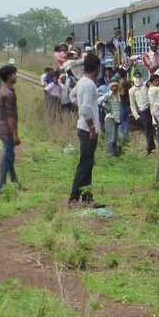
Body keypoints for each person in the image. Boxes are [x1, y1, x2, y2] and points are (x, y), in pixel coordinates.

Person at [69, 54, 101, 206]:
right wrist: (92, 128)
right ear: (97, 68)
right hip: (87, 130)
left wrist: (80, 105)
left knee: (88, 164)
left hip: (84, 127)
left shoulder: (82, 81)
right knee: (84, 165)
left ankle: (87, 197)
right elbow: (86, 110)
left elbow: (72, 96)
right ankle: (74, 197)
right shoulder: (89, 85)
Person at [0, 64, 22, 195]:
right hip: (7, 129)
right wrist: (15, 134)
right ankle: (0, 187)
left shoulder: (3, 90)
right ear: (9, 76)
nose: (16, 76)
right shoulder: (8, 94)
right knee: (6, 156)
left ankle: (15, 183)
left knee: (10, 156)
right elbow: (10, 116)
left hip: (2, 127)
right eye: (14, 74)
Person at [127, 70, 155, 154]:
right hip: (142, 110)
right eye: (136, 77)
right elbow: (132, 104)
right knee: (147, 128)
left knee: (155, 126)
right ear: (133, 78)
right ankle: (150, 147)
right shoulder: (132, 90)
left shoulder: (146, 86)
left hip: (150, 107)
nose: (138, 78)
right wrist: (136, 115)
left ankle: (153, 145)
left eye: (139, 77)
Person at [99, 79, 125, 157]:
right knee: (110, 137)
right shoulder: (108, 95)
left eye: (116, 86)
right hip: (110, 117)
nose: (114, 88)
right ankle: (109, 154)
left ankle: (113, 153)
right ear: (110, 87)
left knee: (114, 137)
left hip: (116, 118)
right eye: (113, 86)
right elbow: (99, 101)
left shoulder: (117, 95)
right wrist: (106, 108)